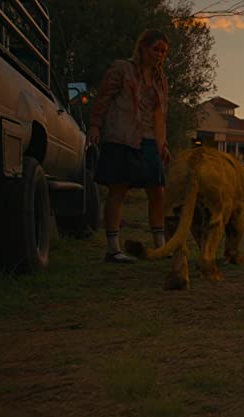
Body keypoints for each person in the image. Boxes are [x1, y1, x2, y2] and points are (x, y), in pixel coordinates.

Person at [88, 29, 171, 263]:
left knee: (157, 191)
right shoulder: (122, 69)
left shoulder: (161, 80)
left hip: (149, 139)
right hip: (123, 136)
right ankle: (113, 249)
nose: (159, 55)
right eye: (155, 49)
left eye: (163, 51)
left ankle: (160, 246)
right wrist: (95, 125)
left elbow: (161, 115)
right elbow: (103, 97)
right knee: (118, 190)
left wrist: (163, 144)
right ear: (143, 47)